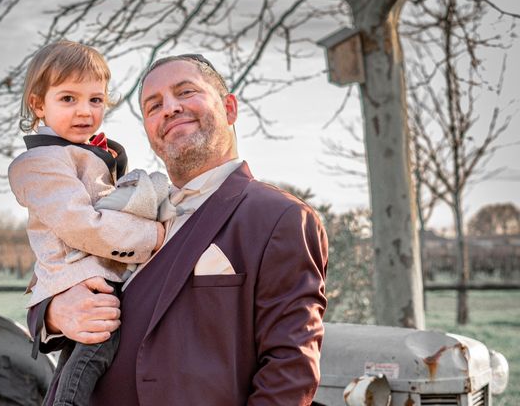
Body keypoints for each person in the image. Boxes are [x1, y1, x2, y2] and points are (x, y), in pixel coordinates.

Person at [29, 53, 329, 405]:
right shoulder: (120, 206)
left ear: (229, 109)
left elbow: (290, 369)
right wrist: (54, 312)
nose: (169, 108)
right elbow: (50, 277)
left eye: (185, 92)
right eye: (153, 106)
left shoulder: (281, 217)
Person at [8, 40, 169, 406]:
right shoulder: (41, 161)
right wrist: (153, 235)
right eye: (68, 99)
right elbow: (84, 224)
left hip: (94, 272)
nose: (85, 111)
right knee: (95, 350)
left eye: (95, 100)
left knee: (87, 354)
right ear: (38, 104)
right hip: (78, 274)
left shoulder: (85, 153)